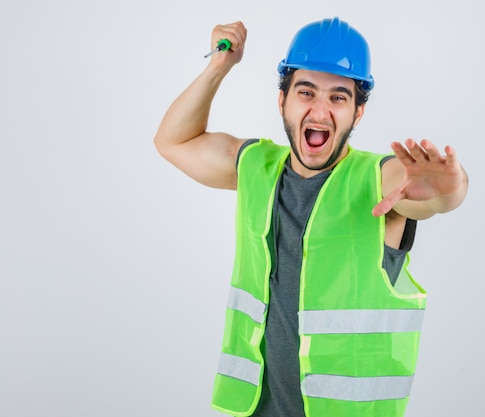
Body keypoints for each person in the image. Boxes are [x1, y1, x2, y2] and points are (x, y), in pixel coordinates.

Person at [154, 17, 467, 417]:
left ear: (358, 113)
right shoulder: (255, 167)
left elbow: (435, 197)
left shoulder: (380, 179)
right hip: (258, 409)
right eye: (306, 92)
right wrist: (219, 66)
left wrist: (449, 188)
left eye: (339, 97)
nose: (320, 110)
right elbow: (173, 141)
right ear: (282, 100)